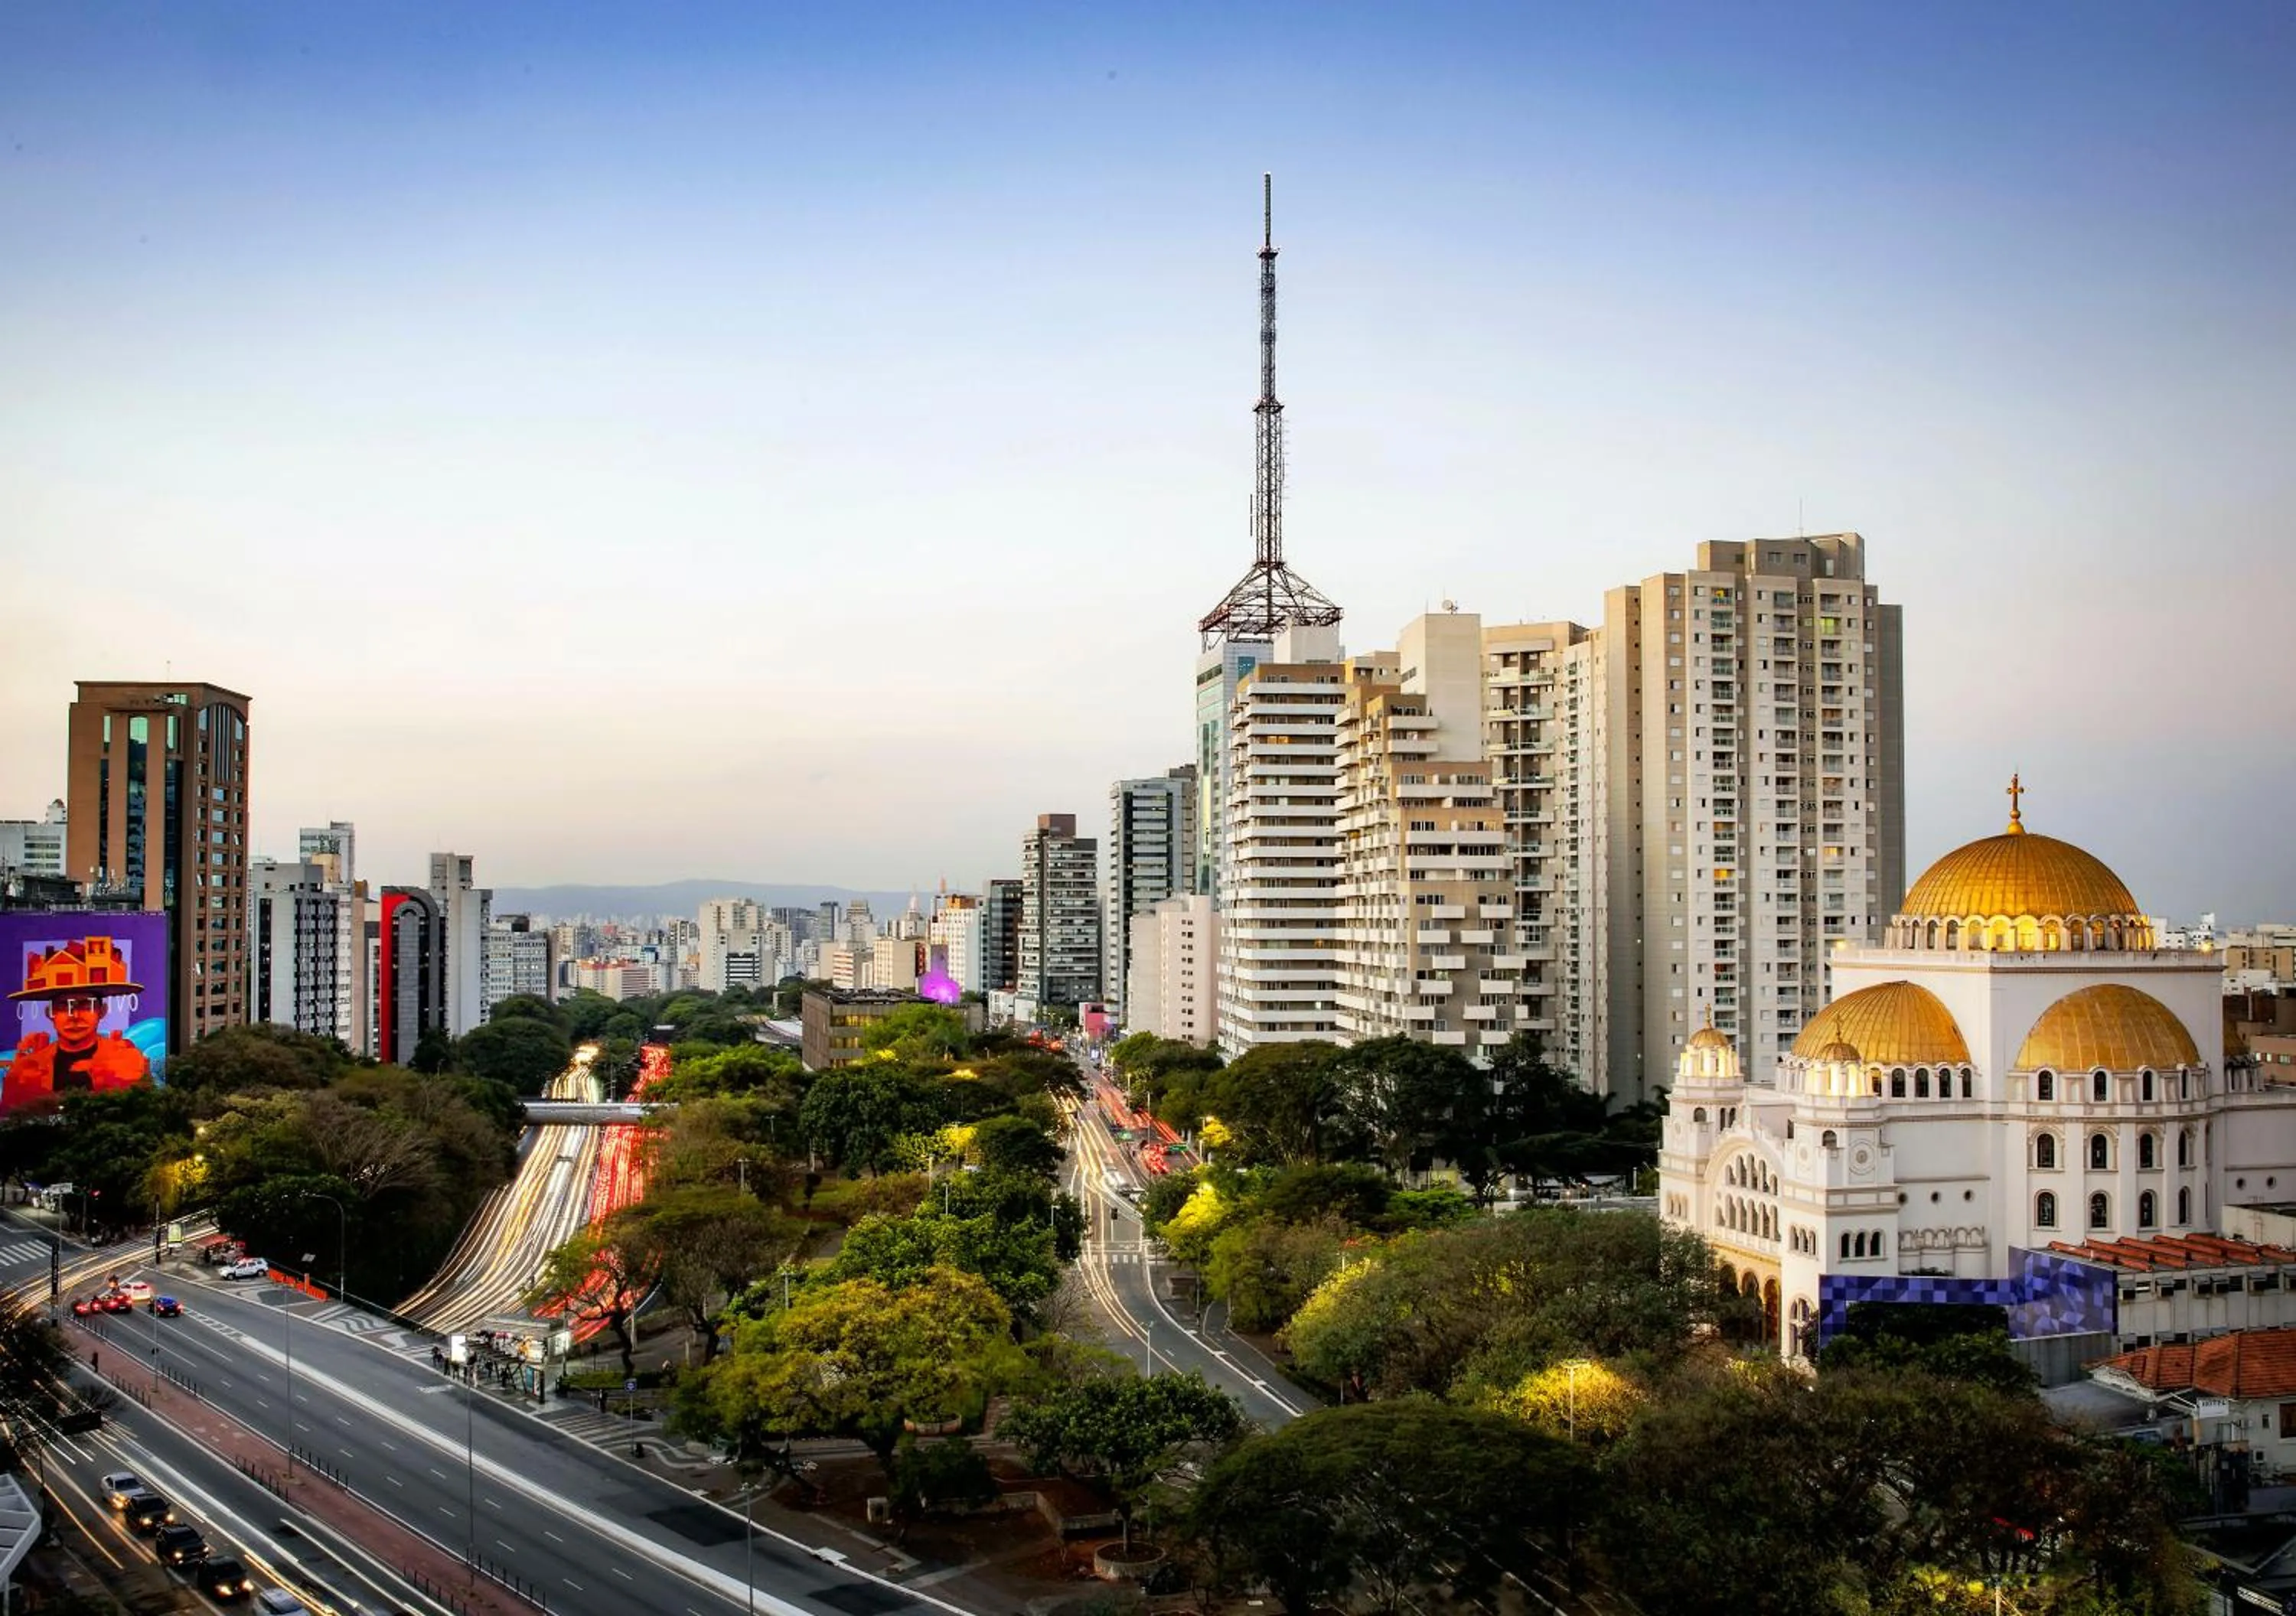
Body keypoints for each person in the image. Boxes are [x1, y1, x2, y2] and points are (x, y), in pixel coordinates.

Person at [4, 938, 151, 1113]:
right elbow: (8, 1124)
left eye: (85, 1005)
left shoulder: (131, 1062)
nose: (74, 1016)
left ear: (101, 1011)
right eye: (63, 1006)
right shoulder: (23, 1072)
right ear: (50, 1014)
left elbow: (144, 1116)